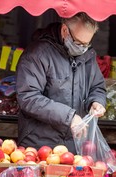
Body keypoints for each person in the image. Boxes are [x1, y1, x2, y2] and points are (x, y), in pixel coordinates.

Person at [15, 12, 106, 154]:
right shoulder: (37, 54)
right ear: (65, 31)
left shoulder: (88, 55)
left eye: (87, 44)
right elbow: (28, 97)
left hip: (75, 145)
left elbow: (97, 86)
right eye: (79, 43)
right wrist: (69, 117)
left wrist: (96, 101)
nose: (82, 48)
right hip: (40, 145)